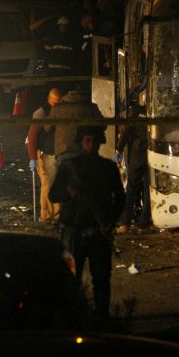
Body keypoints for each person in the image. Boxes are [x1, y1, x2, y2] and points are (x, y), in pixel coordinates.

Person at [49, 126, 125, 321]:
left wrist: (108, 221)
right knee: (71, 281)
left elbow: (120, 199)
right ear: (81, 142)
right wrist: (69, 192)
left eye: (94, 141)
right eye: (87, 141)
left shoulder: (107, 168)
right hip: (74, 232)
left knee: (101, 280)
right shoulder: (69, 167)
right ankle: (73, 319)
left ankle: (101, 319)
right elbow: (53, 195)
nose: (91, 145)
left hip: (99, 233)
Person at [27, 87, 62, 223]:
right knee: (47, 184)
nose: (56, 105)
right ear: (48, 100)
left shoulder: (60, 111)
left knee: (54, 183)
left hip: (54, 152)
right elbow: (32, 137)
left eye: (58, 102)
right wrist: (32, 158)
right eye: (54, 102)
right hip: (43, 153)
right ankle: (47, 216)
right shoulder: (40, 113)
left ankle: (55, 215)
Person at [115, 104, 150, 233]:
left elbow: (123, 138)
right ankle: (144, 224)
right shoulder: (150, 118)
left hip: (136, 158)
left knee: (131, 191)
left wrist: (117, 157)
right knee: (147, 192)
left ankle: (125, 223)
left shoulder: (132, 120)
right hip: (150, 157)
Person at [50, 88, 104, 167]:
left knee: (66, 177)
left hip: (63, 150)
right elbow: (103, 125)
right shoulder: (91, 107)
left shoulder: (58, 108)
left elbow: (47, 127)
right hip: (83, 149)